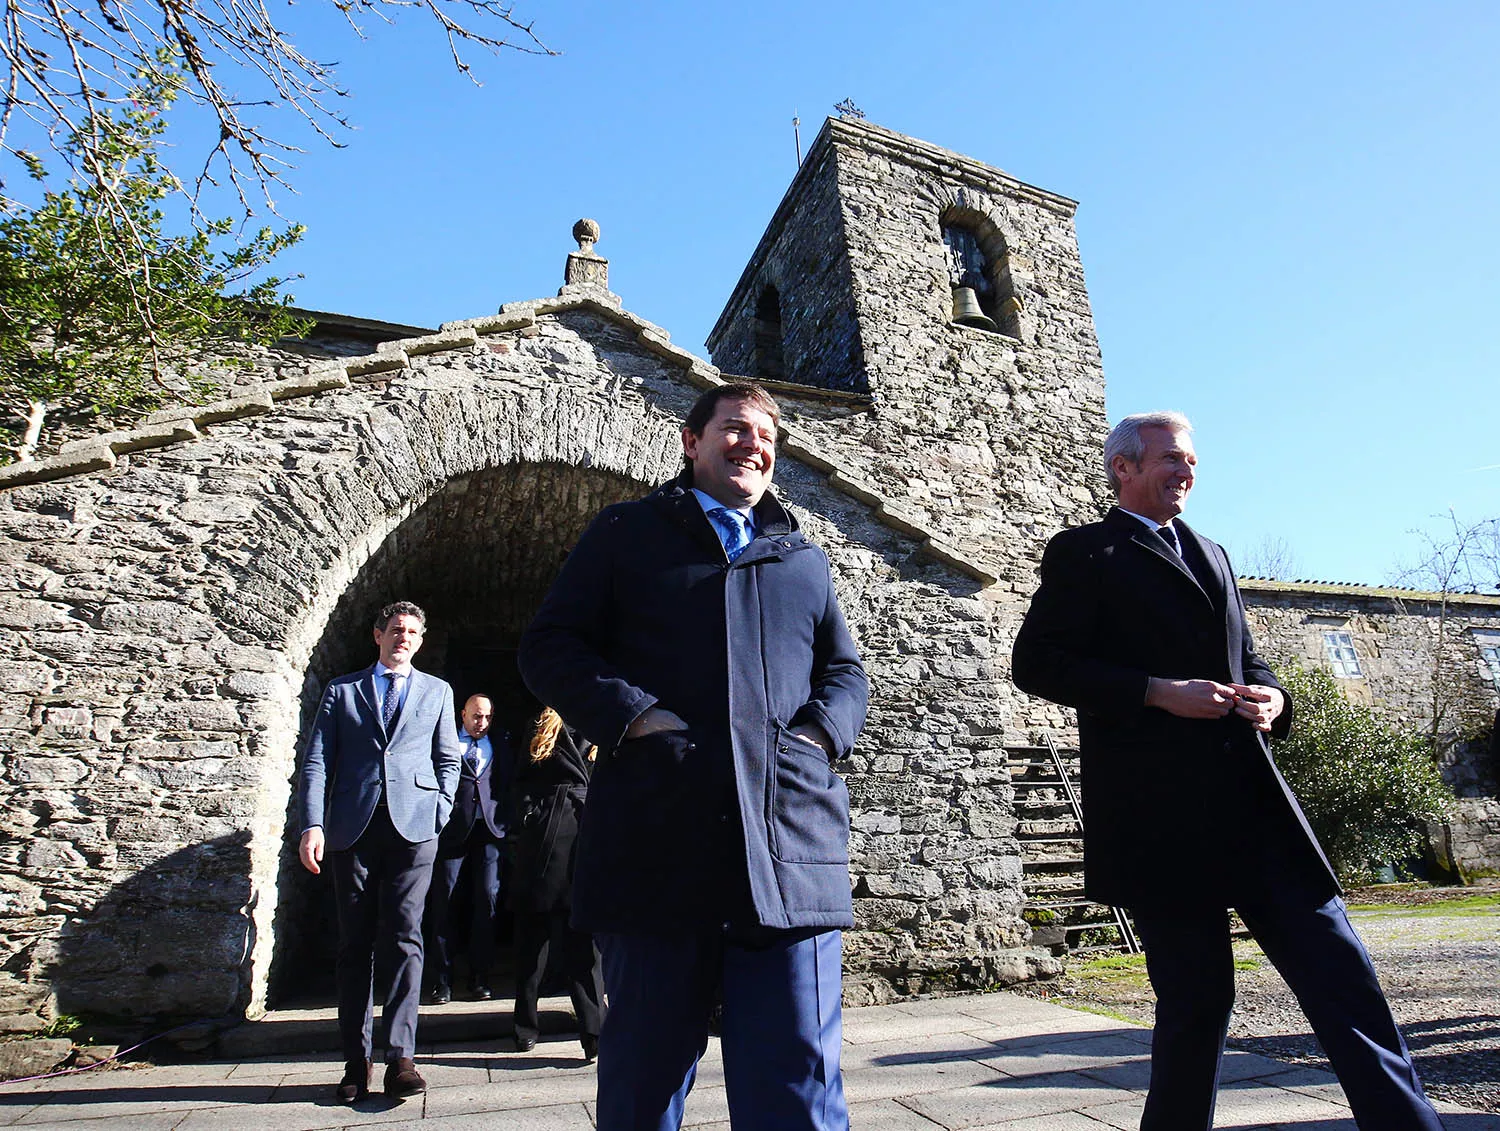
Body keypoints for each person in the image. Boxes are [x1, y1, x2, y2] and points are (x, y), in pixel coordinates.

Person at [1011, 412, 1443, 1131]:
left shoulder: (1212, 551)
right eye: (1171, 459)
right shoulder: (1085, 552)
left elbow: (1248, 662)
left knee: (1343, 978)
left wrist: (1276, 696)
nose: (1186, 471)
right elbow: (1037, 663)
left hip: (1257, 811)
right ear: (1124, 466)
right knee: (1196, 1004)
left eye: (1192, 461)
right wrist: (1157, 691)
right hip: (1161, 821)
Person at [518, 381, 868, 1131]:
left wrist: (815, 738)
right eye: (735, 429)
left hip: (788, 853)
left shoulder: (802, 559)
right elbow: (549, 646)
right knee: (642, 1084)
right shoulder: (625, 533)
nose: (754, 444)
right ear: (691, 441)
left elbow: (846, 672)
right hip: (656, 849)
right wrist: (635, 715)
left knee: (799, 1081)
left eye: (767, 436)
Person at [297, 600, 462, 1103]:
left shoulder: (437, 691)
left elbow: (448, 757)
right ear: (378, 635)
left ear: (421, 638)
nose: (403, 638)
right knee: (355, 946)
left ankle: (401, 1057)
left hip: (415, 828)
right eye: (395, 630)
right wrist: (313, 824)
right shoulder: (342, 691)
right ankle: (355, 1060)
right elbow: (317, 762)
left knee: (406, 937)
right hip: (354, 828)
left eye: (413, 631)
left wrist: (439, 810)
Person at [508, 705, 606, 1059]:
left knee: (584, 943)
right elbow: (520, 779)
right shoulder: (542, 721)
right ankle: (525, 1023)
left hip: (587, 835)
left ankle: (594, 1029)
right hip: (546, 838)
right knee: (534, 941)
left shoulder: (605, 719)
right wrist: (530, 815)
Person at [427, 692, 510, 1004]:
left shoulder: (499, 741)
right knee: (445, 901)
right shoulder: (446, 739)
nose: (482, 723)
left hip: (489, 831)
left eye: (487, 717)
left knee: (487, 898)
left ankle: (480, 977)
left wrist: (508, 817)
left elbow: (506, 780)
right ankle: (442, 980)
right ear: (462, 714)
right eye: (476, 716)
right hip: (453, 832)